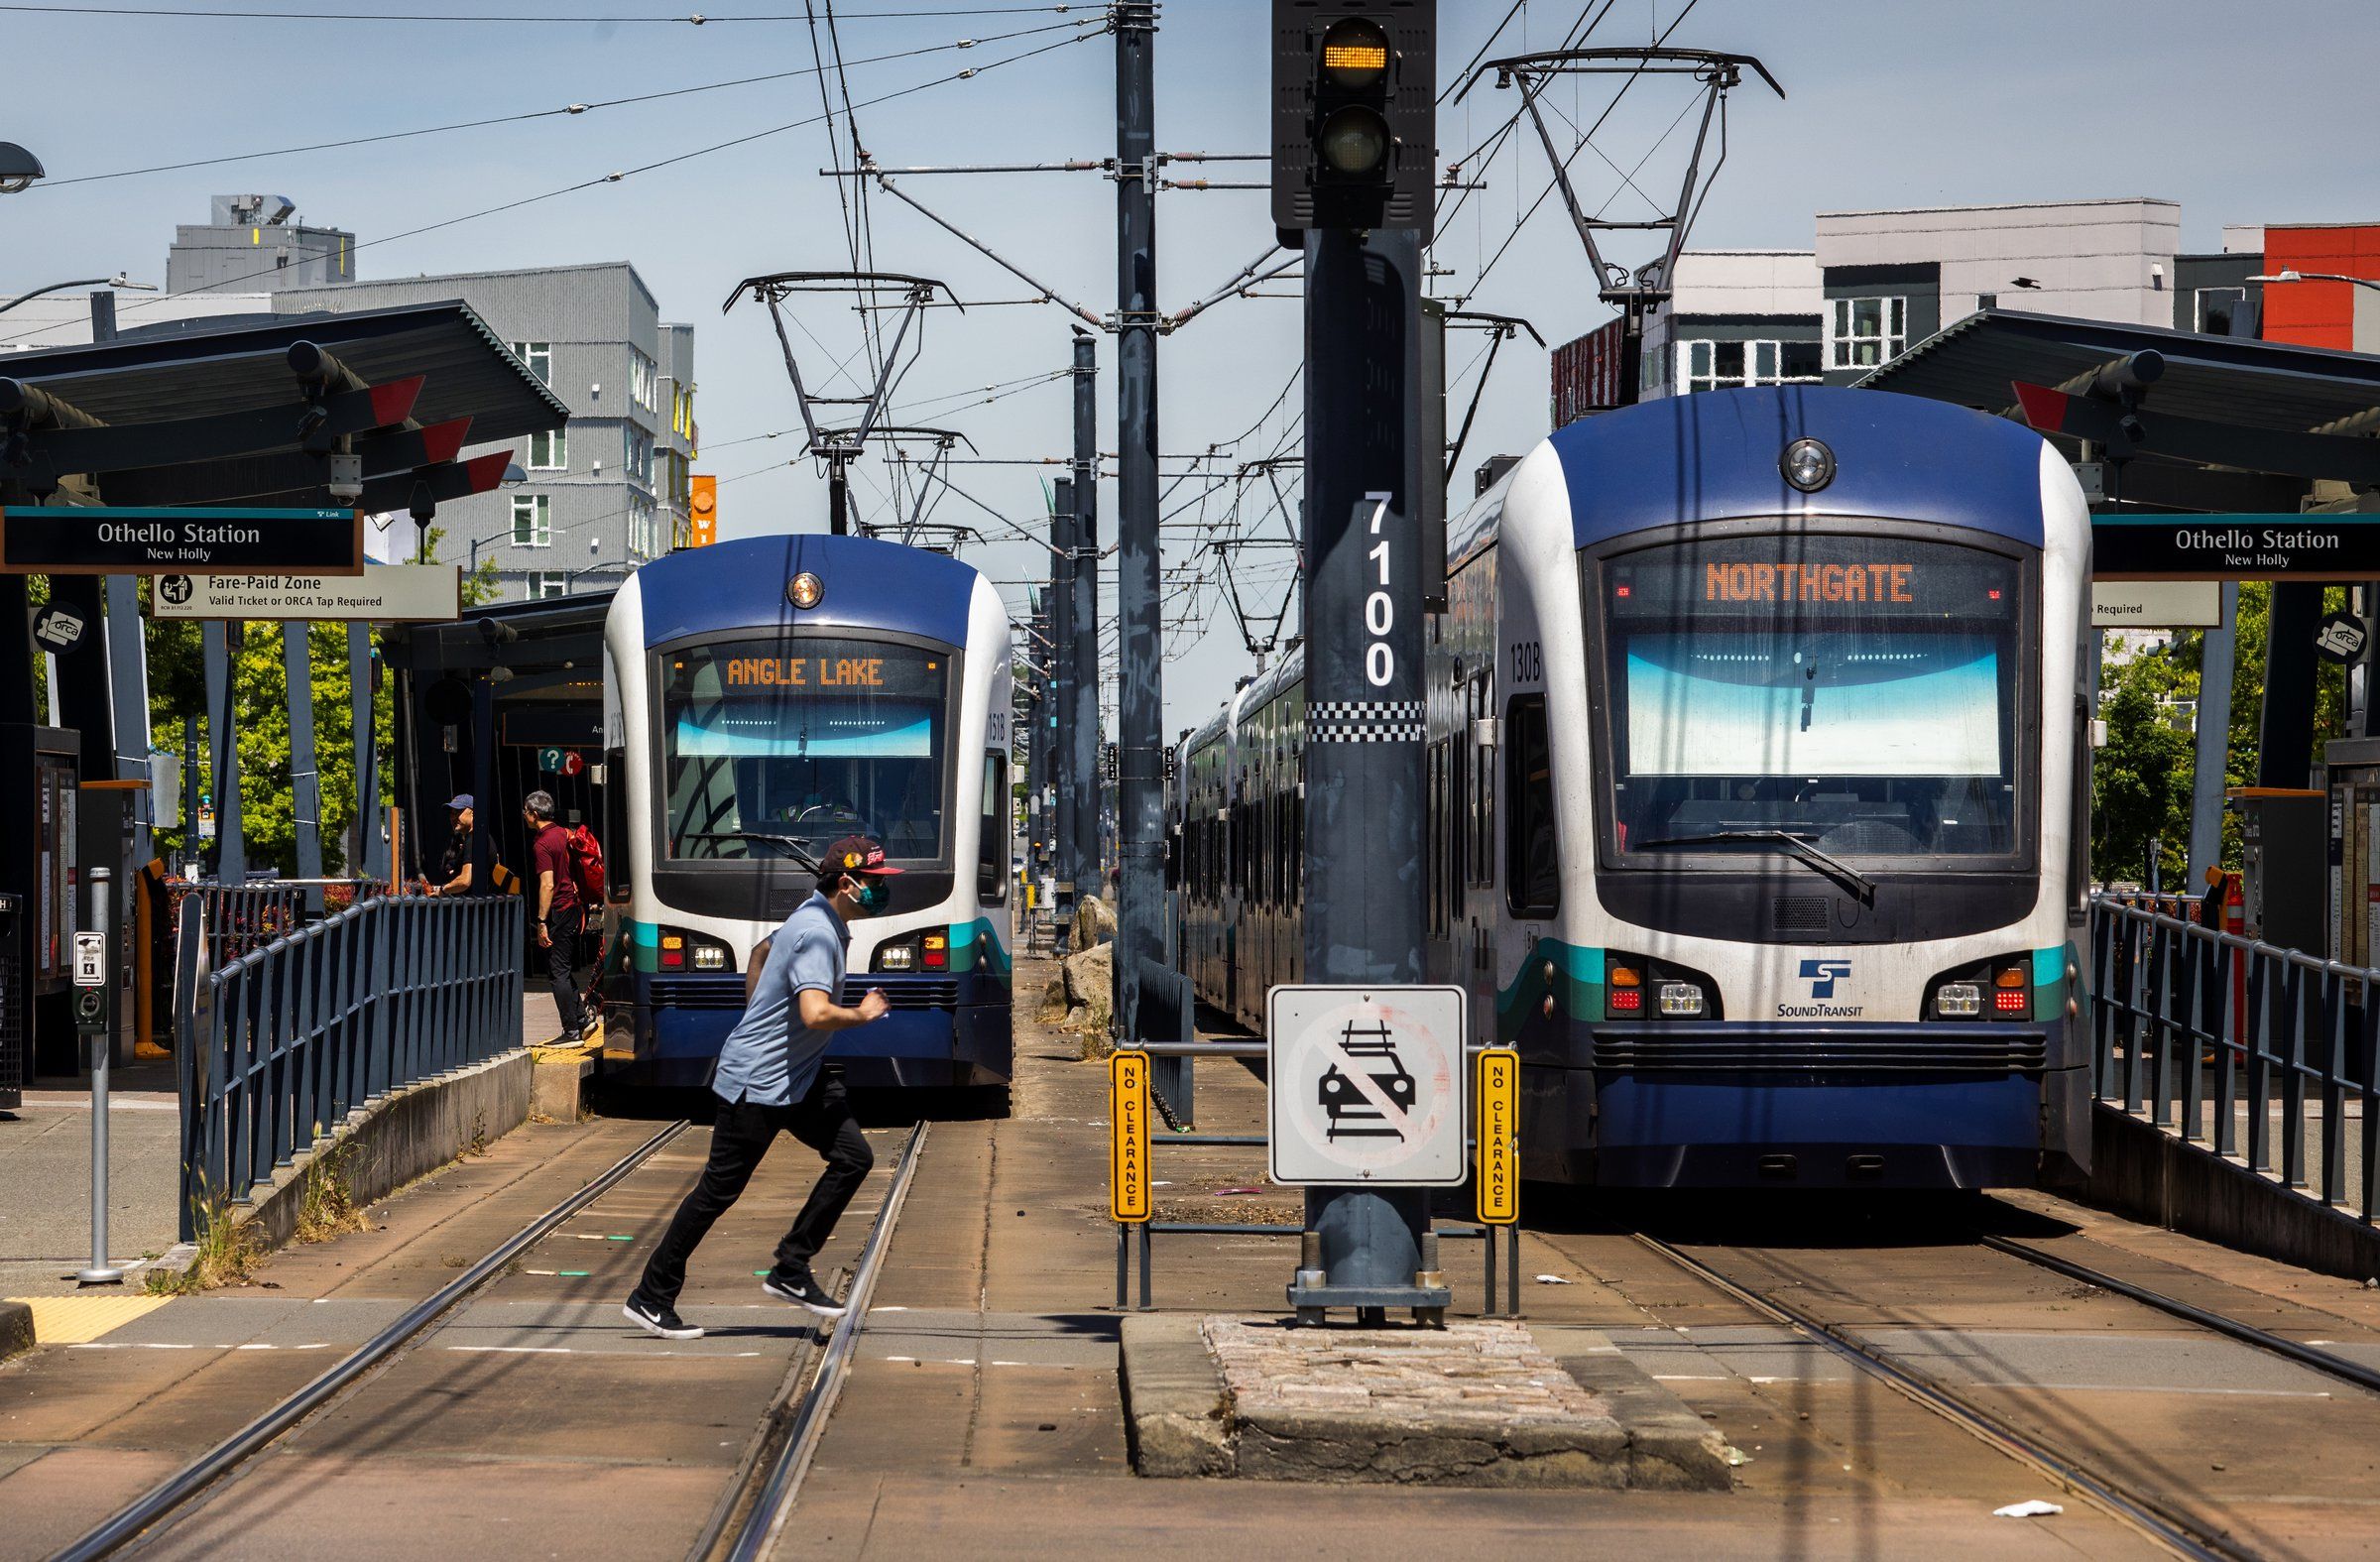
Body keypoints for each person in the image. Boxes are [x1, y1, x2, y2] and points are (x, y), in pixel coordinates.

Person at [623, 835, 896, 1341]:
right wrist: (863, 1013)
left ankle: (791, 1268)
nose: (881, 891)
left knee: (853, 1156)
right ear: (846, 883)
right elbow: (814, 1013)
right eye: (875, 883)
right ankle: (651, 1296)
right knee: (717, 1191)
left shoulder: (816, 918)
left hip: (796, 1078)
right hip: (758, 1082)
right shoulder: (818, 931)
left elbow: (761, 951)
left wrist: (757, 1017)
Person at [524, 789, 585, 1042]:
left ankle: (570, 1030)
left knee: (557, 972)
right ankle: (582, 1019)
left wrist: (541, 922)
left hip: (559, 909)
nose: (524, 816)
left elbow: (547, 884)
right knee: (563, 967)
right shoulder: (565, 834)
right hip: (573, 907)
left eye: (525, 812)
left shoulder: (542, 843)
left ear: (535, 814)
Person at [422, 794, 475, 898]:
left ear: (473, 813)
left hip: (474, 910)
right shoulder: (475, 839)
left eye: (458, 812)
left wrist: (442, 890)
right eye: (452, 813)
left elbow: (465, 881)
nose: (453, 817)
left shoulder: (472, 840)